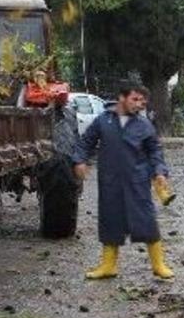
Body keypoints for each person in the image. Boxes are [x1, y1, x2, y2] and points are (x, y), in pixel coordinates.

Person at [73, 81, 174, 280]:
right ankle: (108, 266)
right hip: (110, 181)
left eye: (142, 102)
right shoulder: (103, 121)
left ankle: (159, 264)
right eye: (135, 99)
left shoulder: (144, 125)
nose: (139, 105)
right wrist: (79, 160)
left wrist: (160, 171)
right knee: (110, 221)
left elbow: (155, 151)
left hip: (137, 181)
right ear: (121, 97)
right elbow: (85, 142)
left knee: (146, 221)